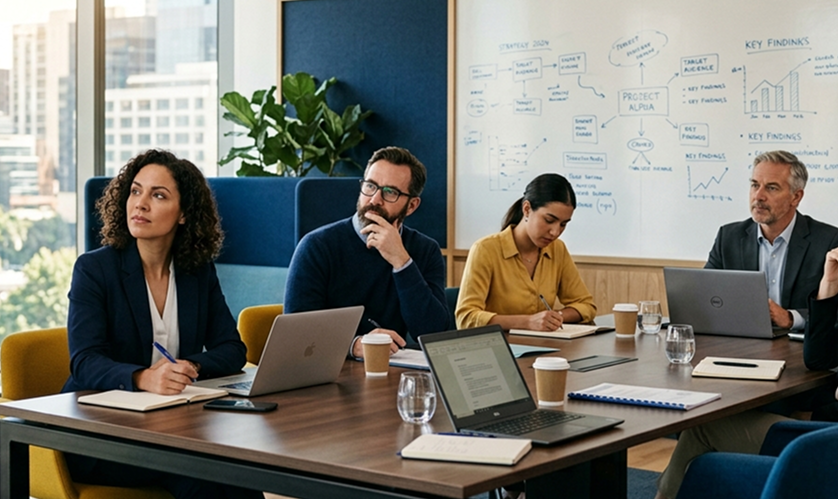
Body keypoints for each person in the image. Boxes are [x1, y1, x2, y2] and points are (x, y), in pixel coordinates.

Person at [656, 167, 838, 499]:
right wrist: (829, 286)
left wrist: (814, 415)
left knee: (703, 429)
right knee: (707, 436)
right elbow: (820, 358)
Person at [62, 149, 260, 498]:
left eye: (158, 195)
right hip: (98, 432)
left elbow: (232, 349)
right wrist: (143, 377)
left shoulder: (196, 271)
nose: (140, 204)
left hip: (171, 424)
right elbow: (84, 361)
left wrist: (190, 367)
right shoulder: (95, 270)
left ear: (184, 214)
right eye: (135, 191)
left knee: (233, 471)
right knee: (211, 475)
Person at [285, 146, 448, 359]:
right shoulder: (317, 246)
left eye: (390, 192)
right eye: (370, 186)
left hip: (391, 371)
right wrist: (353, 345)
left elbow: (434, 334)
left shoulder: (425, 250)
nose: (374, 199)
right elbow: (296, 332)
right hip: (332, 370)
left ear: (411, 206)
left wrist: (401, 261)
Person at [705, 150, 838, 330]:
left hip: (798, 344)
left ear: (796, 197)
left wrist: (791, 318)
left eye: (771, 188)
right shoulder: (729, 237)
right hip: (741, 339)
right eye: (755, 185)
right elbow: (704, 296)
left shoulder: (828, 240)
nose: (758, 196)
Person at [456, 173, 596, 331]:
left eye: (563, 224)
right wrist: (528, 322)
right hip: (499, 344)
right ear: (527, 209)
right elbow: (466, 318)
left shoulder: (558, 249)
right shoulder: (485, 250)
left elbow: (586, 305)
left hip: (544, 344)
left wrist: (554, 318)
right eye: (549, 220)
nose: (555, 232)